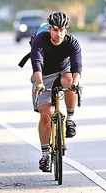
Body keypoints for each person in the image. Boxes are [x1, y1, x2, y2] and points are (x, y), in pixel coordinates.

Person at [30, 11, 82, 172]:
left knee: (70, 81)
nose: (57, 33)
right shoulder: (40, 40)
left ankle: (70, 119)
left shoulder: (72, 43)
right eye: (54, 29)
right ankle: (45, 154)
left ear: (66, 30)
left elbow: (77, 68)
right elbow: (37, 64)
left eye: (61, 30)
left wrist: (75, 84)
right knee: (45, 114)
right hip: (43, 74)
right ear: (50, 29)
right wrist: (39, 84)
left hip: (63, 72)